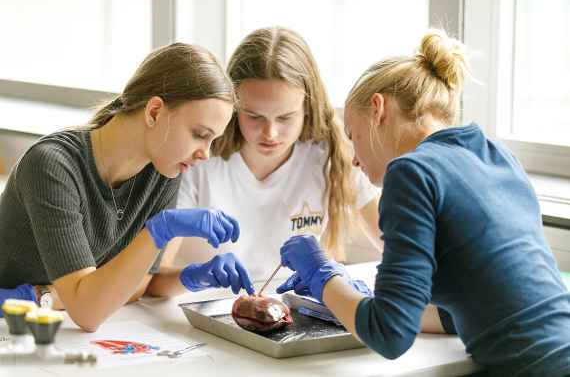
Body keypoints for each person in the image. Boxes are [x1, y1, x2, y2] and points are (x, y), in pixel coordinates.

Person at [277, 29, 570, 376]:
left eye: (353, 136)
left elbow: (389, 335)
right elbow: (464, 308)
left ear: (378, 109)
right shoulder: (495, 154)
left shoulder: (410, 172)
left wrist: (321, 274)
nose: (354, 160)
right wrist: (350, 299)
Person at [0, 43, 256, 330]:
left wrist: (192, 276)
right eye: (199, 135)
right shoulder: (52, 166)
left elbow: (137, 284)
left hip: (40, 324)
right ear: (155, 112)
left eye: (212, 140)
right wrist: (159, 231)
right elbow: (88, 313)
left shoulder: (163, 169)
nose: (204, 154)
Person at [176, 27, 382, 282]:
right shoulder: (198, 159)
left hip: (289, 309)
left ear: (308, 107)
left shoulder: (330, 154)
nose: (270, 133)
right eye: (254, 116)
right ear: (233, 104)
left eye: (285, 117)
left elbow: (395, 247)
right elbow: (154, 279)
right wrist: (195, 277)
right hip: (196, 308)